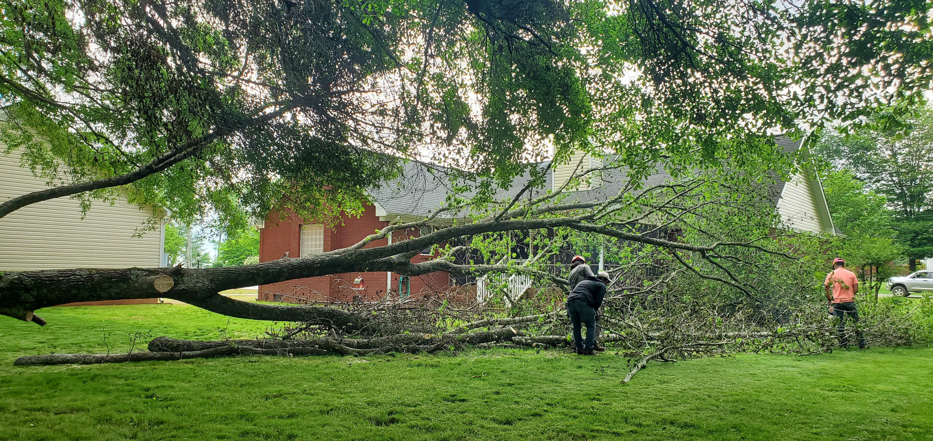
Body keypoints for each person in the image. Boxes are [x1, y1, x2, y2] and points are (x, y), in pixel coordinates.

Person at [824, 258, 866, 349]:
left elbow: (826, 288)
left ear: (834, 265)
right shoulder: (851, 274)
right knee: (855, 322)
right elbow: (856, 289)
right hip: (849, 301)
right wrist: (850, 295)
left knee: (840, 324)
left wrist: (830, 299)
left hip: (837, 302)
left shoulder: (831, 274)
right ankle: (861, 343)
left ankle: (843, 344)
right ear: (844, 265)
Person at [567, 270, 610, 355]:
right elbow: (598, 302)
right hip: (582, 301)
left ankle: (579, 348)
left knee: (576, 326)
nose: (606, 284)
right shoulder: (601, 285)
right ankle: (589, 349)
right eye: (607, 282)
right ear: (604, 280)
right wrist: (593, 312)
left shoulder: (586, 281)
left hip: (570, 301)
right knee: (591, 324)